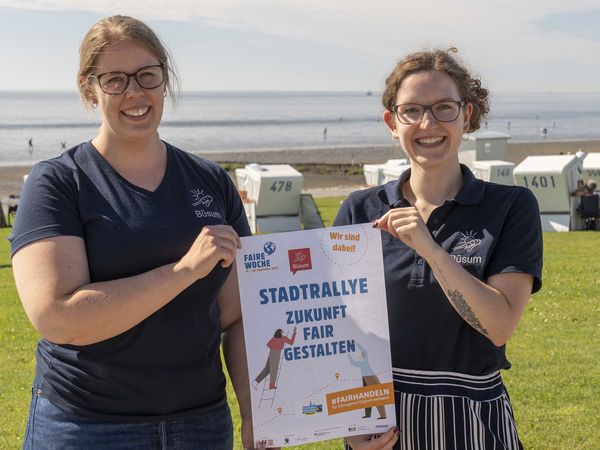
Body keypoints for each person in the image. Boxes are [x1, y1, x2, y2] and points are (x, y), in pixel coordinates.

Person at [10, 15, 256, 450]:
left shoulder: (211, 181)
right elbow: (57, 316)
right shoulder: (59, 182)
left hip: (200, 424)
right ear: (89, 89)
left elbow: (238, 316)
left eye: (147, 75)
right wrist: (183, 271)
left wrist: (256, 415)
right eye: (115, 80)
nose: (135, 93)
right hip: (86, 426)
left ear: (165, 80)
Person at [335, 48, 543, 450]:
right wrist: (348, 425)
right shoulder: (358, 210)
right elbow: (337, 329)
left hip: (471, 420)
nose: (428, 123)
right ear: (392, 124)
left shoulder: (510, 206)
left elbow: (499, 326)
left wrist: (431, 249)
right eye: (411, 110)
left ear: (467, 116)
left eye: (444, 108)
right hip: (381, 422)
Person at [347, 343, 386, 420]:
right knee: (366, 397)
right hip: (365, 379)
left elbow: (364, 351)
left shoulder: (364, 361)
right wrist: (348, 354)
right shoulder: (361, 363)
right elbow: (352, 363)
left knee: (377, 397)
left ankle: (383, 415)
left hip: (372, 379)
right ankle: (367, 414)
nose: (360, 356)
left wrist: (358, 345)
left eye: (361, 355)